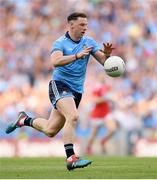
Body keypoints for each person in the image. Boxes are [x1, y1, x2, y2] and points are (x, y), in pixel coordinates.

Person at [6, 12, 115, 170]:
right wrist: (77, 55)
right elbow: (55, 61)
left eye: (86, 24)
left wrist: (107, 55)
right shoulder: (60, 43)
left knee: (50, 130)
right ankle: (71, 159)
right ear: (71, 25)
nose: (85, 27)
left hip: (76, 91)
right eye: (82, 24)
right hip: (60, 85)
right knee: (73, 116)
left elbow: (104, 62)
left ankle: (24, 120)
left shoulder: (89, 42)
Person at [86, 71, 118, 155]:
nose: (103, 77)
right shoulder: (96, 88)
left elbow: (113, 94)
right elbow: (95, 100)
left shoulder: (107, 87)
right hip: (97, 114)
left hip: (106, 112)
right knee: (93, 134)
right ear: (98, 77)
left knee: (113, 129)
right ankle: (88, 148)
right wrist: (106, 98)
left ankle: (103, 140)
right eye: (101, 76)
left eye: (104, 76)